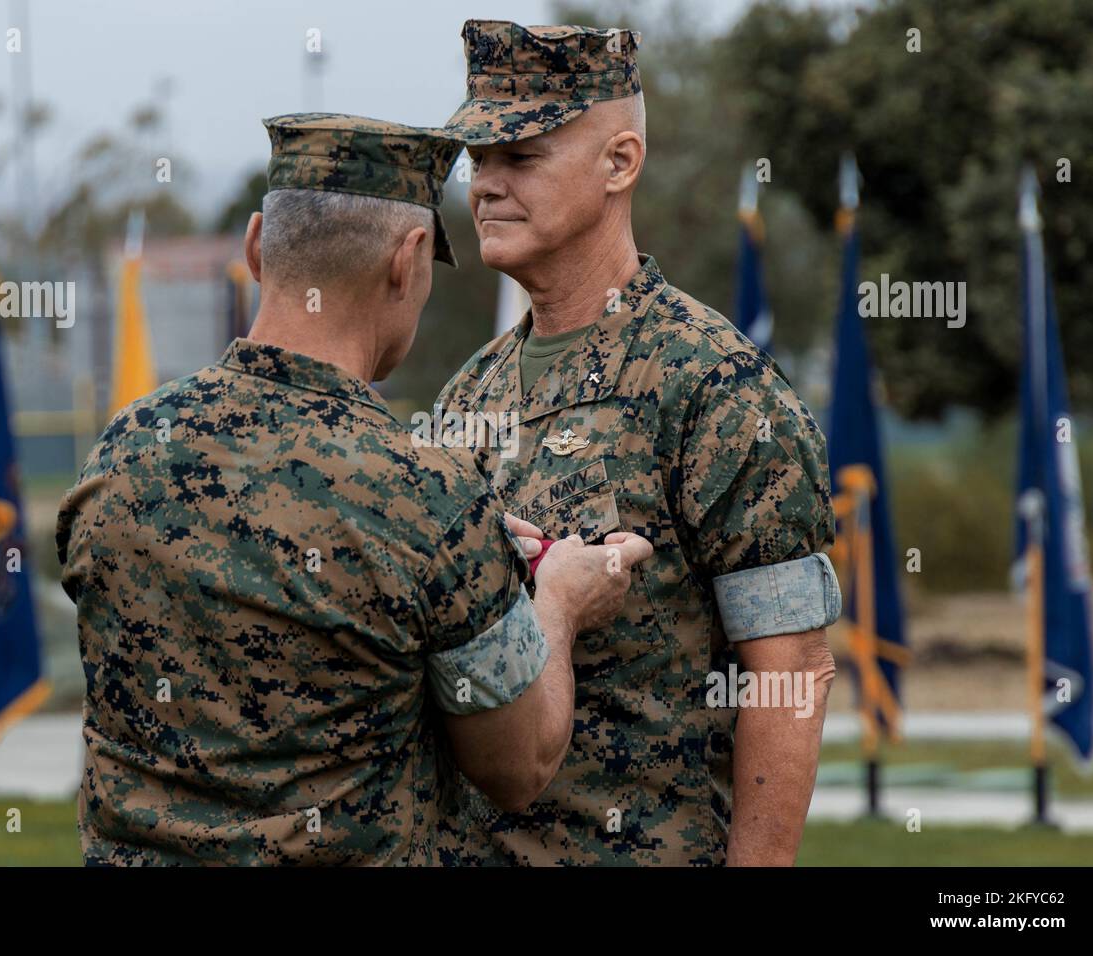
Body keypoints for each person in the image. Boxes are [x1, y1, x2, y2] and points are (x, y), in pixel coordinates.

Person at [56, 112, 652, 865]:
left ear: (252, 250)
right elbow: (519, 766)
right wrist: (559, 604)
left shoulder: (122, 453)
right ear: (407, 260)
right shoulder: (427, 494)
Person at [436, 21, 841, 865]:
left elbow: (791, 667)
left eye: (523, 157)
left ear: (619, 163)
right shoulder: (469, 393)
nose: (487, 186)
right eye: (480, 159)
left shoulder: (713, 387)